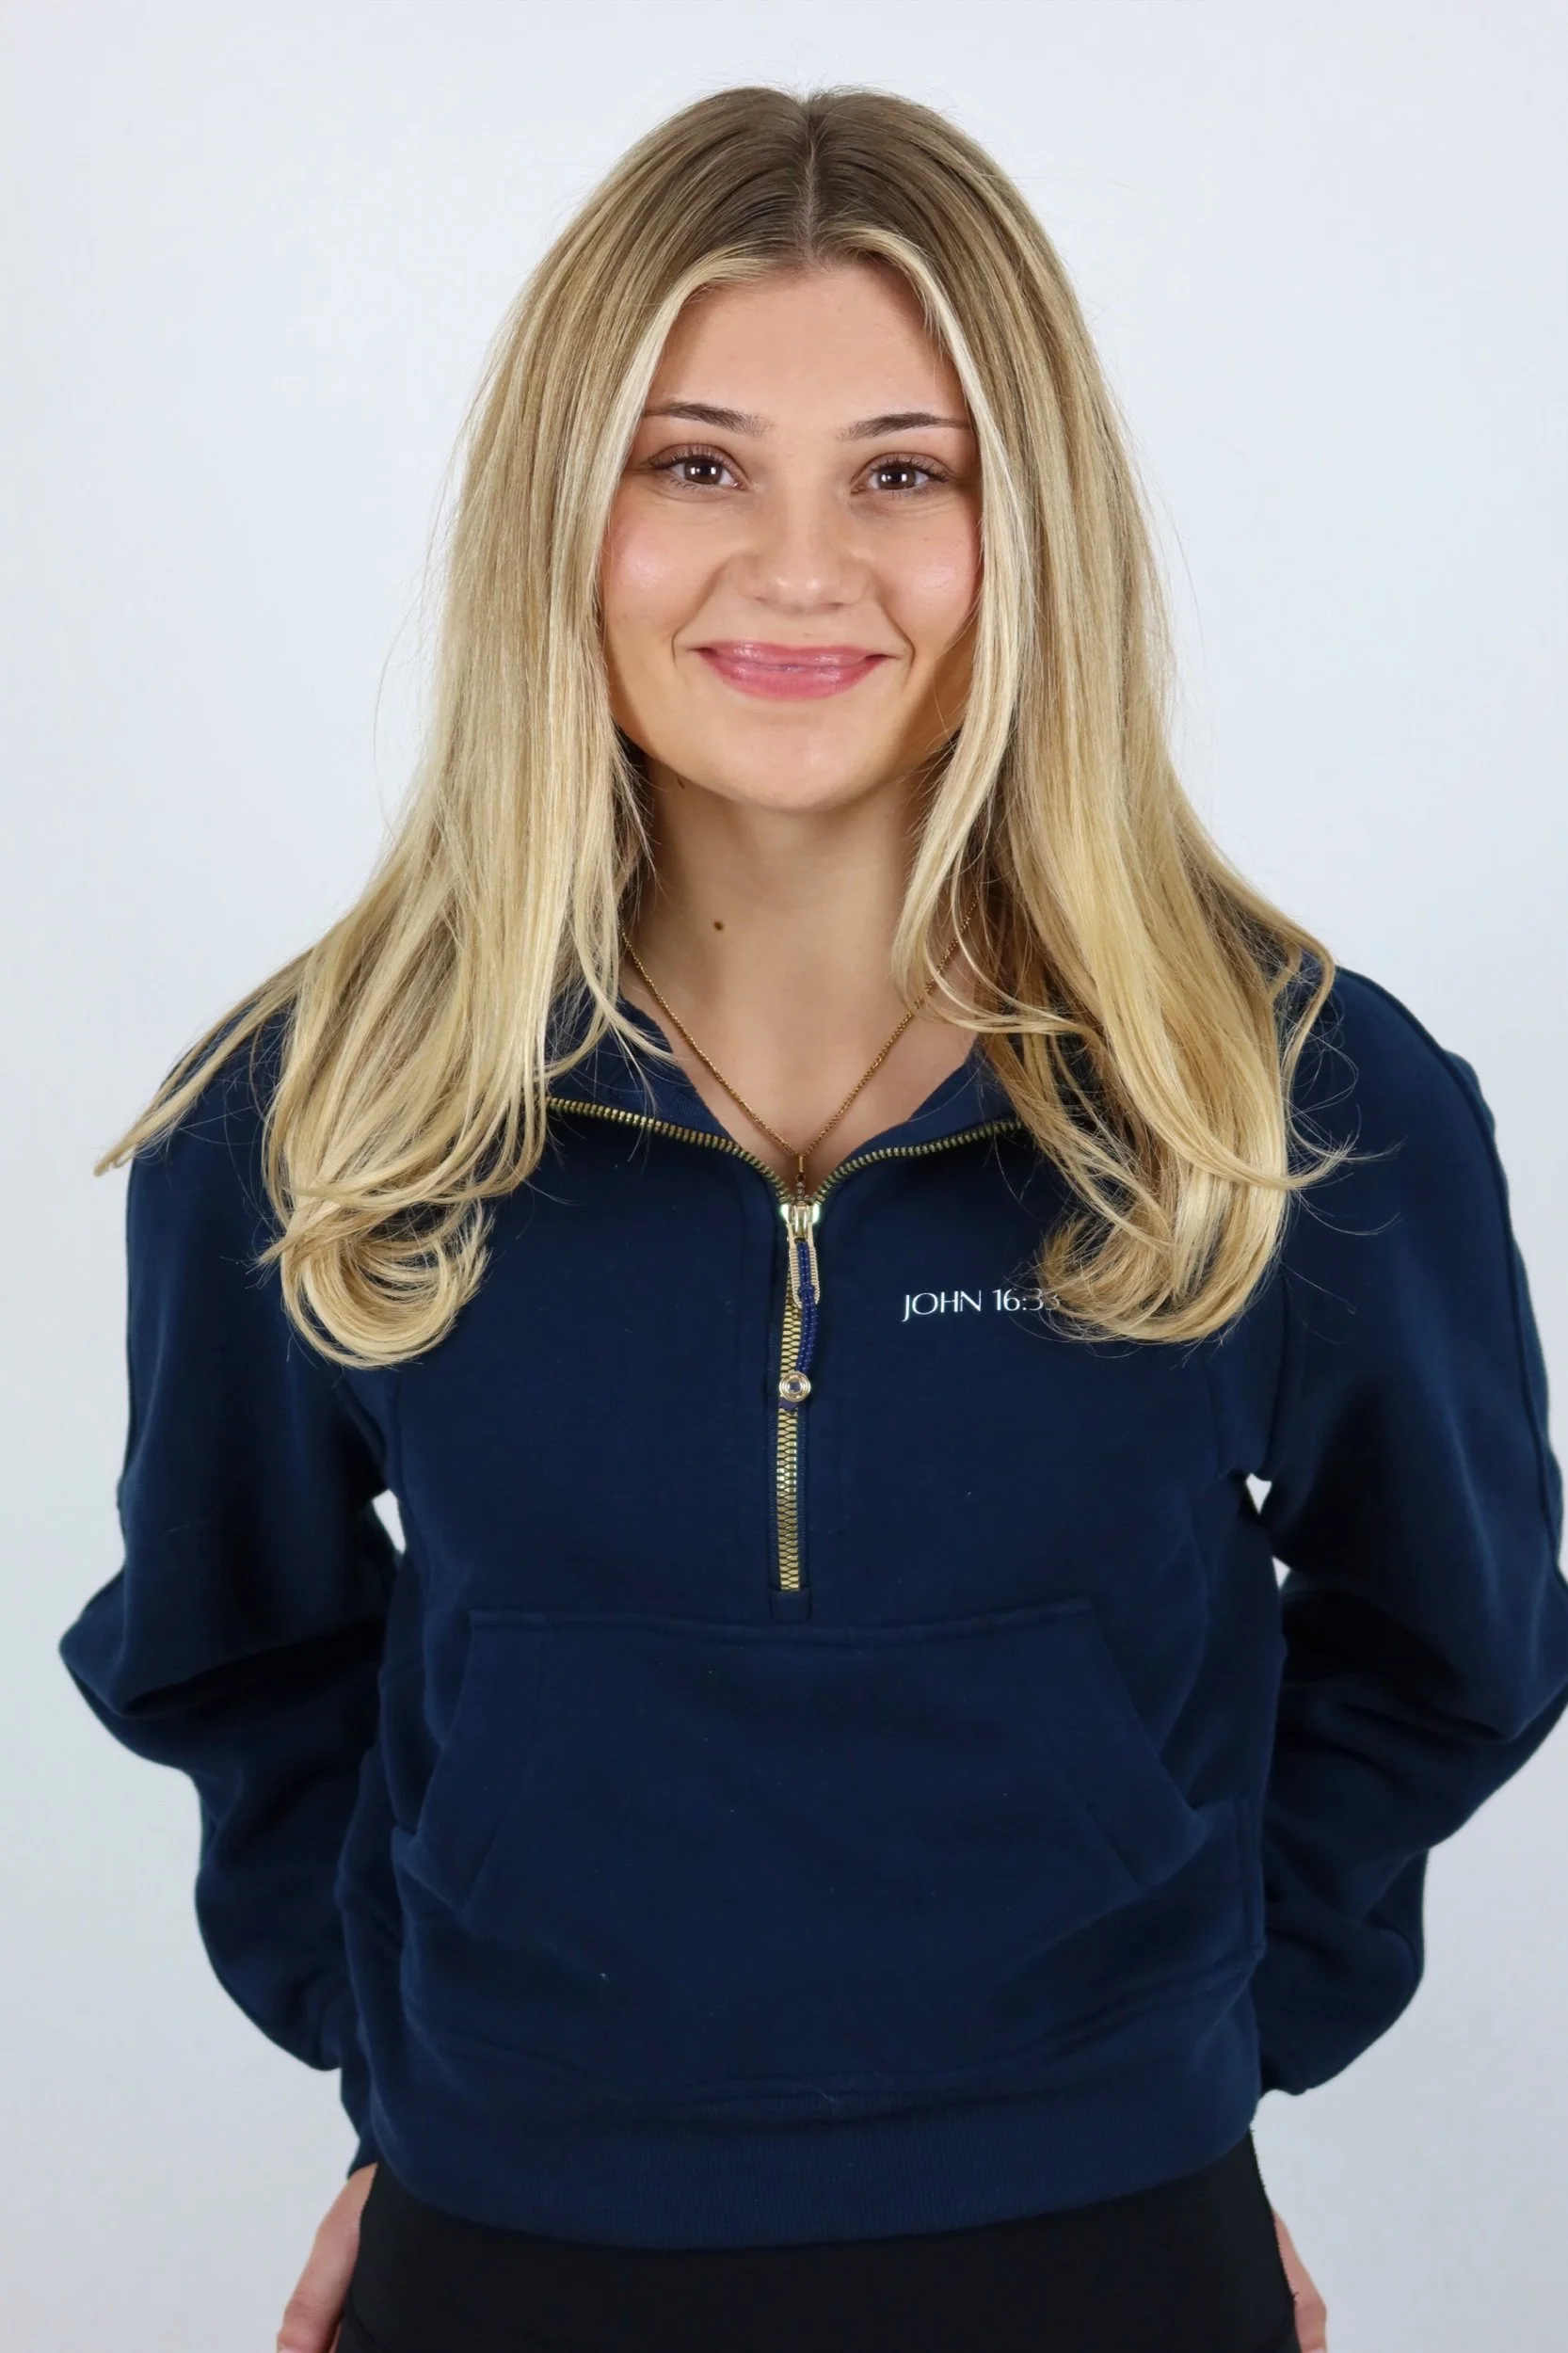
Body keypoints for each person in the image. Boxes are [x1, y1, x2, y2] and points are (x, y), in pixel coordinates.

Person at [56, 84, 1567, 2353]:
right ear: (562, 511)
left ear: (1024, 523)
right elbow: (233, 1651)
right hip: (509, 2246)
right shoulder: (317, 1107)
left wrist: (1191, 2058)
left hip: (1106, 2240)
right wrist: (413, 2080)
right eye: (692, 465)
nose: (792, 566)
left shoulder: (1288, 1098)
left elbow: (1452, 1635)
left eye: (899, 472)